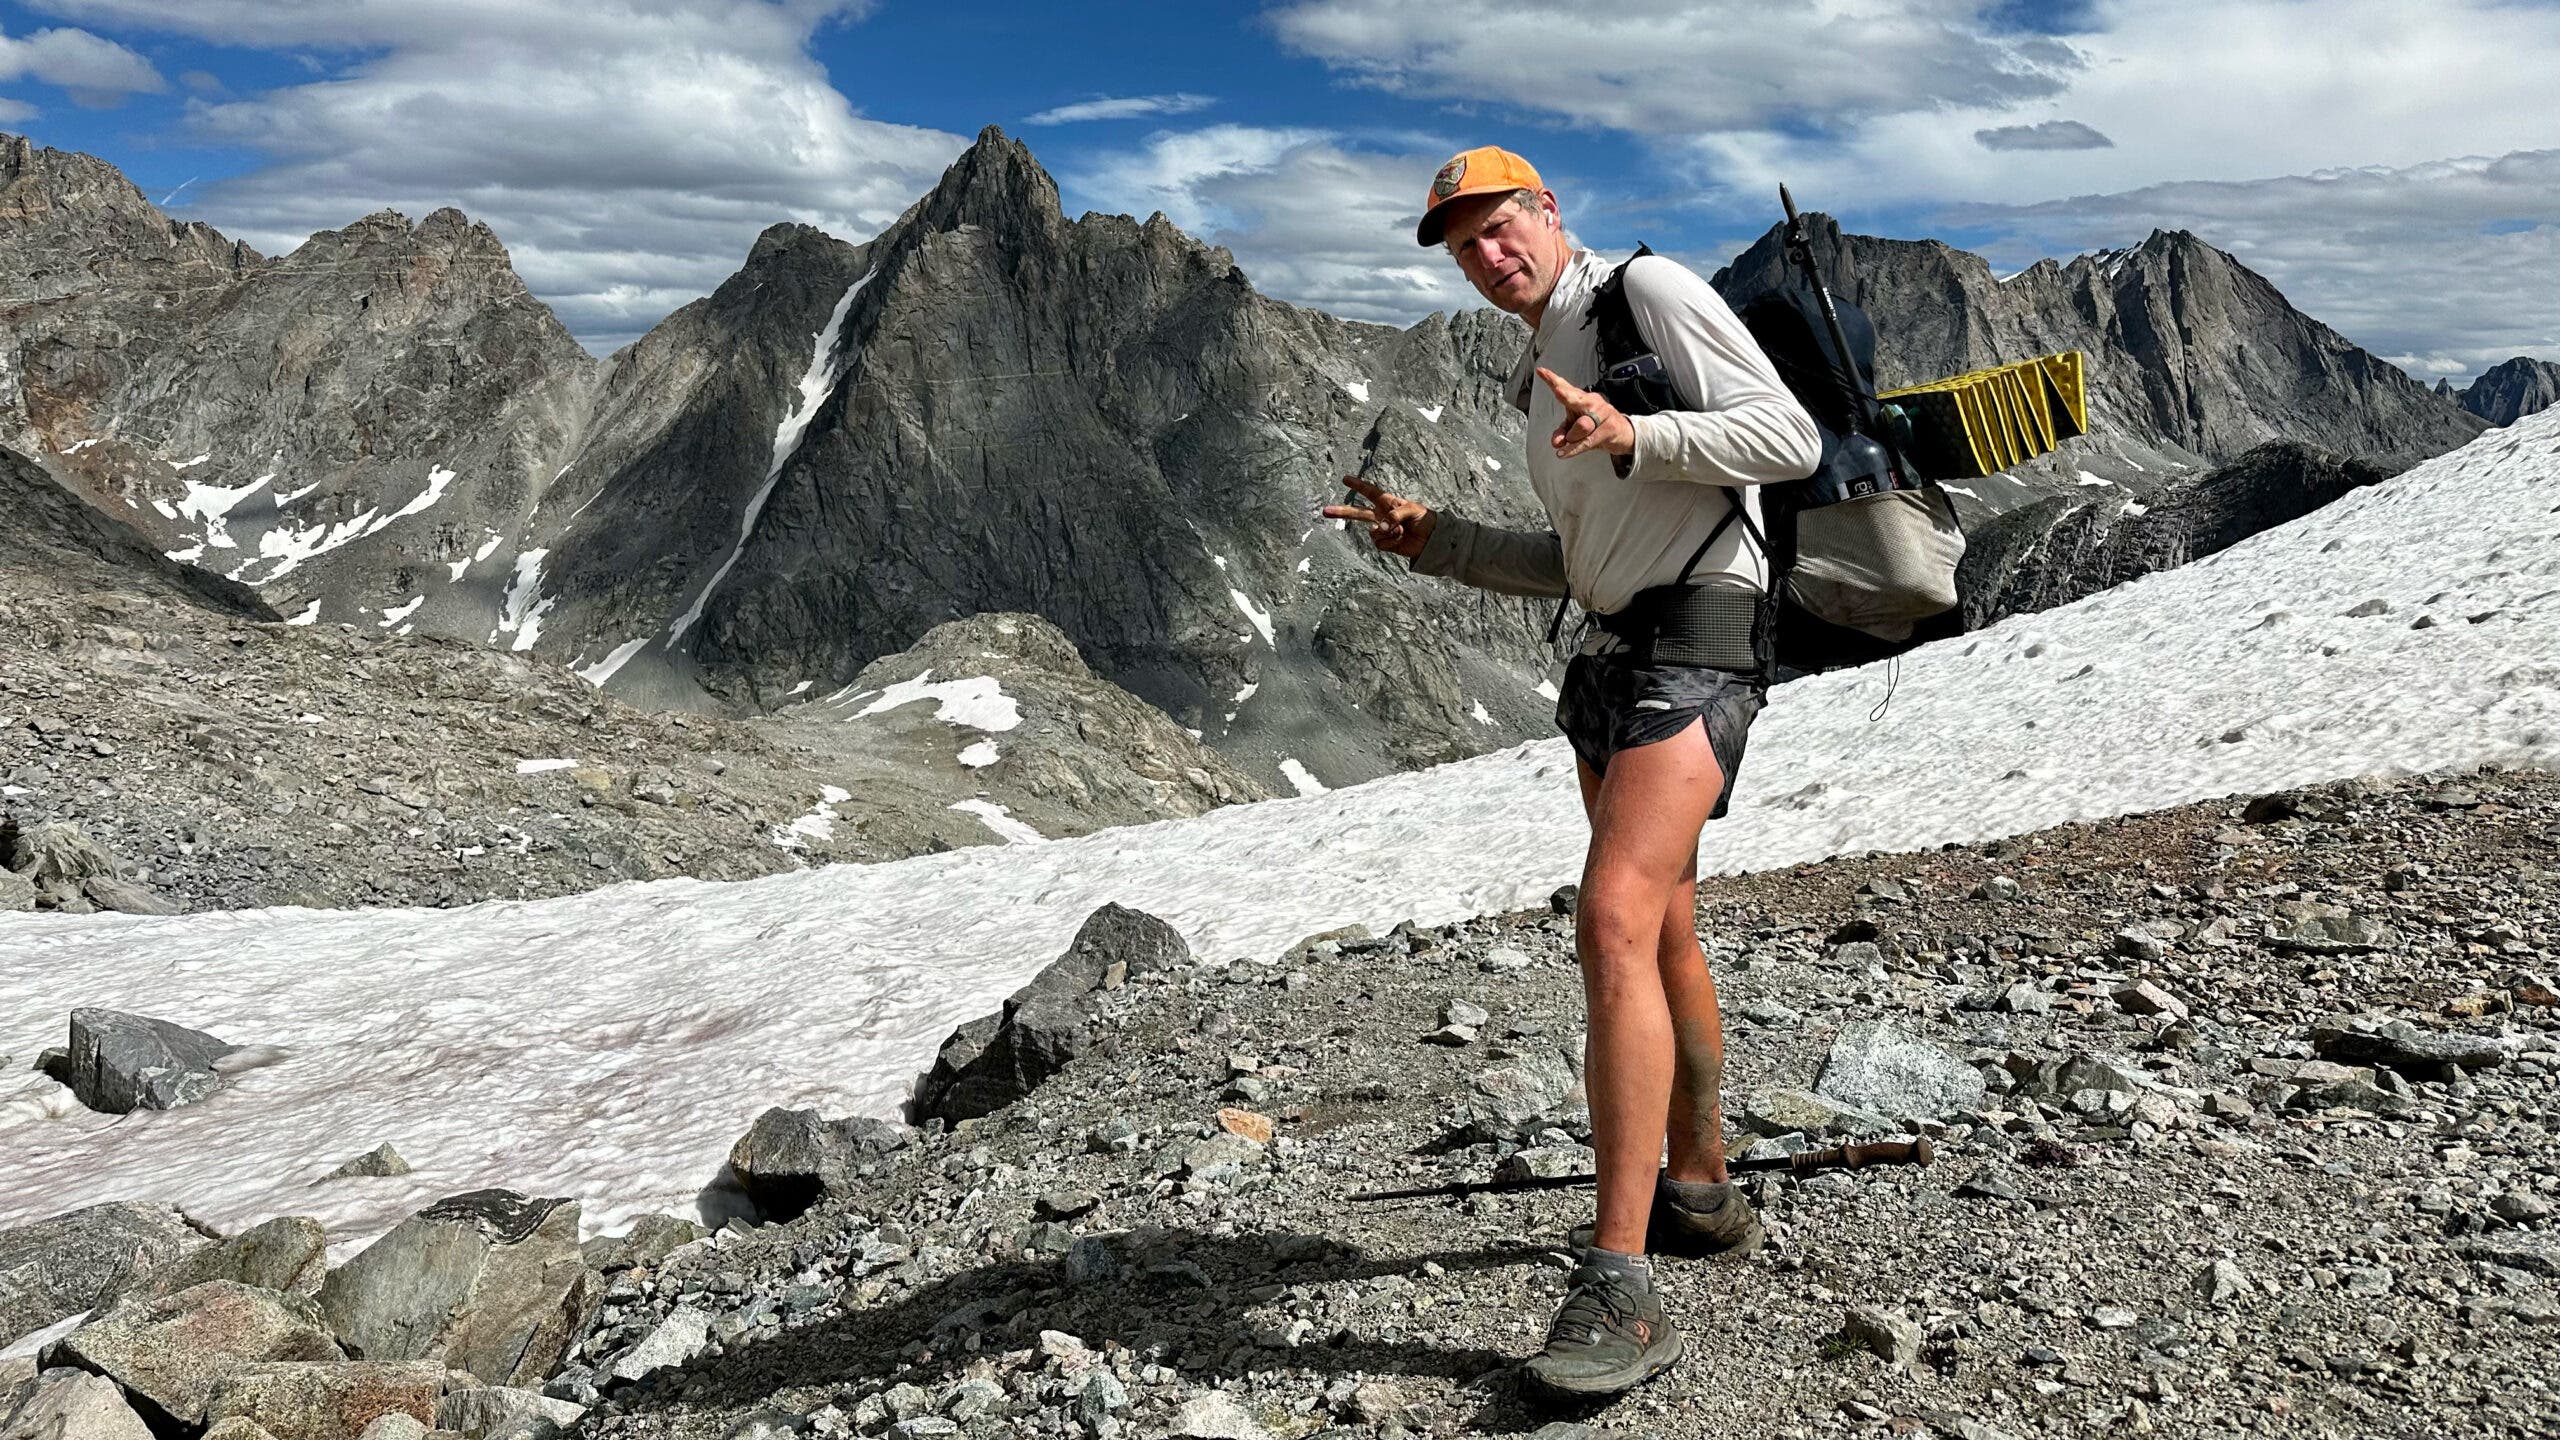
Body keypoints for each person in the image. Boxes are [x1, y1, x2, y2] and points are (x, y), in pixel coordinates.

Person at [1324, 146, 1822, 1398]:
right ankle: (1699, 1190)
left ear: (1549, 212)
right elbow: (1579, 561)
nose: (1488, 258)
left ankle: (1620, 1285)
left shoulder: (1646, 293)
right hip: (1611, 655)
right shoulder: (1547, 351)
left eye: (1500, 228)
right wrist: (1431, 543)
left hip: (1700, 640)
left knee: (1608, 917)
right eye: (1463, 246)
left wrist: (1636, 429)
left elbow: (1791, 438)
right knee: (1659, 929)